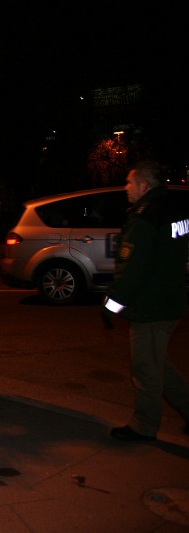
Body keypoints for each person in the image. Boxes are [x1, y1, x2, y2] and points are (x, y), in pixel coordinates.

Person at [102, 161, 189, 442]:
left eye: (130, 182)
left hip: (151, 307)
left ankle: (144, 426)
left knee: (146, 370)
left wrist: (111, 305)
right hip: (171, 299)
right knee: (159, 365)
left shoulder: (145, 216)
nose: (126, 188)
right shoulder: (176, 209)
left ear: (144, 185)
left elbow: (132, 269)